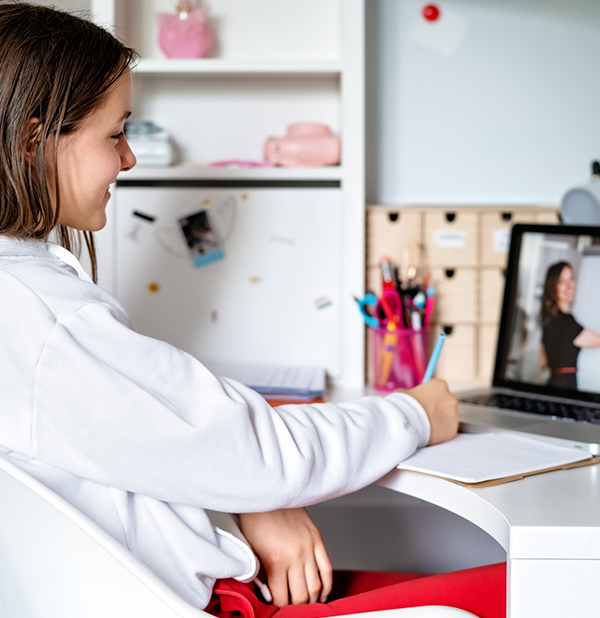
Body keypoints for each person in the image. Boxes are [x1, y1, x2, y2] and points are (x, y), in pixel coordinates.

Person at [0, 4, 504, 618]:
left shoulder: (29, 301)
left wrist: (253, 489)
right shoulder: (47, 321)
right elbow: (256, 454)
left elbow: (193, 445)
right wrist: (415, 413)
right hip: (220, 603)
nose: (128, 158)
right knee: (531, 588)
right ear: (33, 142)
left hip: (205, 584)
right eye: (115, 133)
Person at [539, 261, 600, 389]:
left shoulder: (549, 320)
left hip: (552, 383)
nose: (569, 286)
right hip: (565, 386)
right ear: (553, 286)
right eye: (562, 282)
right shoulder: (566, 322)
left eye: (571, 279)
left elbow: (543, 363)